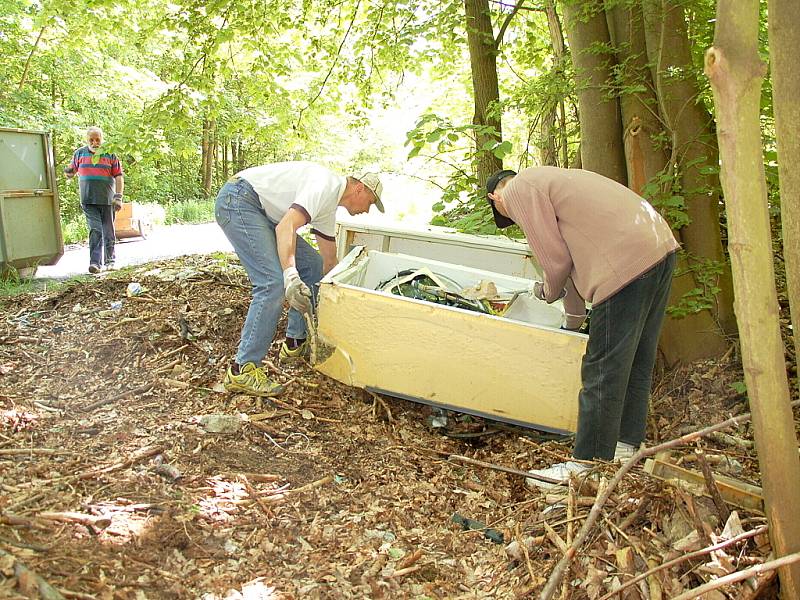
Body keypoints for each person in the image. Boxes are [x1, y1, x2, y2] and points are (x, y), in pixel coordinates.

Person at [485, 166, 679, 487]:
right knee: (636, 361)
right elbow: (571, 275)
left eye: (509, 217)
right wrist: (569, 324)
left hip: (624, 263)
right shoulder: (555, 185)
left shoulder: (519, 189)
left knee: (601, 370)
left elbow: (556, 262)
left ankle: (587, 465)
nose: (517, 221)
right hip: (657, 247)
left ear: (496, 198)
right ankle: (625, 447)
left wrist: (545, 291)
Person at [215, 161, 384, 397]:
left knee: (312, 266)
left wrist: (342, 295)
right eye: (371, 202)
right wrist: (290, 275)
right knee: (272, 284)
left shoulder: (327, 206)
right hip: (240, 201)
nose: (368, 209)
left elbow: (328, 262)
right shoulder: (324, 185)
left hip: (262, 212)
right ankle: (242, 369)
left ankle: (295, 342)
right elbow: (286, 227)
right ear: (360, 189)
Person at [64, 127, 125, 274]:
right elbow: (71, 172)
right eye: (91, 139)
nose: (94, 142)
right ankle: (95, 263)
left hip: (107, 200)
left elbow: (119, 176)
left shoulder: (110, 154)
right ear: (87, 140)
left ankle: (110, 261)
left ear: (101, 139)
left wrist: (118, 197)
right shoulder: (79, 153)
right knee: (95, 230)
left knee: (108, 231)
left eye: (97, 139)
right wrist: (68, 172)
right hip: (88, 200)